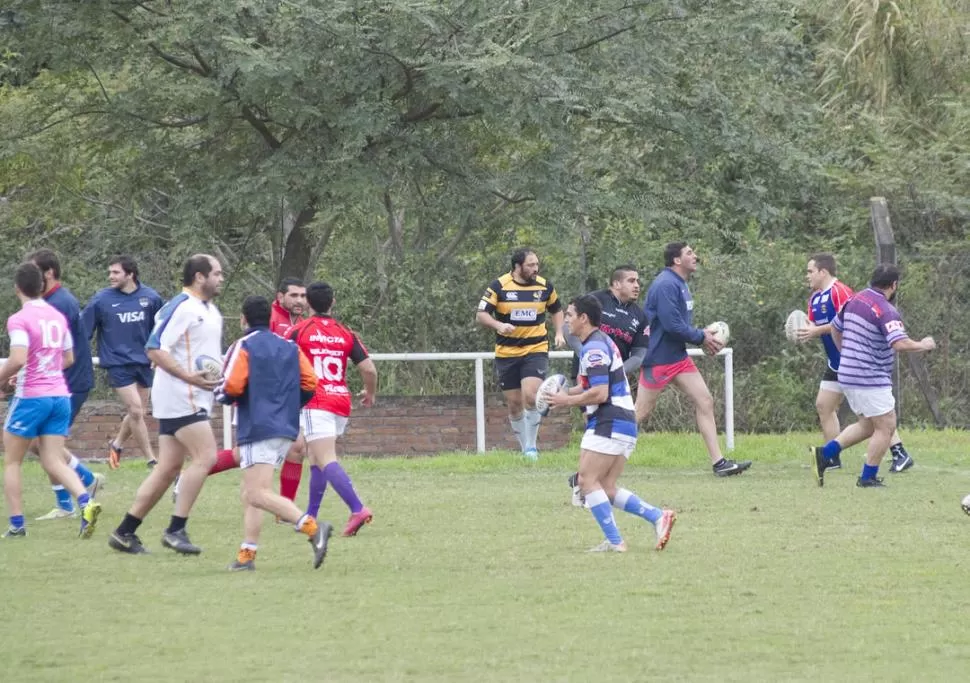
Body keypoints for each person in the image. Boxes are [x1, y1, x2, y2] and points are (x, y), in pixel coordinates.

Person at [108, 254, 224, 555]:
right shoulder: (182, 307)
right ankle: (176, 530)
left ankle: (124, 532)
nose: (221, 278)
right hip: (179, 394)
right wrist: (189, 377)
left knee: (168, 468)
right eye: (217, 273)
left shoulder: (210, 310)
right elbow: (154, 347)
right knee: (207, 457)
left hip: (193, 394)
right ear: (200, 277)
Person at [544, 294, 676, 552]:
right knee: (605, 487)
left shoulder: (593, 349)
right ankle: (658, 517)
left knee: (586, 481)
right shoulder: (599, 343)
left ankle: (616, 542)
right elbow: (586, 385)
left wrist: (563, 402)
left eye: (570, 315)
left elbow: (600, 393)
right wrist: (560, 393)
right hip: (623, 421)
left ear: (584, 318)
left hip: (609, 421)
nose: (566, 320)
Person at [216, 295, 332, 571]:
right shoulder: (290, 346)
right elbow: (310, 382)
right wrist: (289, 406)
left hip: (258, 426)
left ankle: (314, 528)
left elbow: (230, 386)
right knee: (251, 492)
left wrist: (217, 392)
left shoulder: (242, 346)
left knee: (256, 493)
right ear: (269, 318)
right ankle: (247, 554)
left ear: (243, 319)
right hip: (286, 427)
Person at [1, 263, 101, 538]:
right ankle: (86, 501)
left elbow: (18, 358)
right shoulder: (57, 317)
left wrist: (6, 376)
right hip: (60, 395)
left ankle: (17, 525)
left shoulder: (19, 319)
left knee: (12, 462)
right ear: (41, 286)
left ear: (17, 288)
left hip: (33, 397)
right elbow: (68, 358)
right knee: (53, 459)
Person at [812, 264, 935, 488]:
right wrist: (923, 344)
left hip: (847, 374)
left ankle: (823, 454)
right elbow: (898, 343)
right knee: (887, 426)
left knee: (868, 425)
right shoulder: (885, 309)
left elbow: (835, 328)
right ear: (894, 285)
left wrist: (845, 353)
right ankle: (867, 477)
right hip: (869, 377)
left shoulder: (854, 300)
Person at [636, 242, 751, 477]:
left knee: (705, 400)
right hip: (658, 358)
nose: (695, 256)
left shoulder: (680, 284)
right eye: (689, 253)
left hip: (677, 357)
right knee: (640, 412)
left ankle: (719, 463)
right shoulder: (666, 284)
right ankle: (599, 450)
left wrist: (702, 337)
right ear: (677, 260)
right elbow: (672, 325)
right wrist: (701, 337)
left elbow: (679, 325)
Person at [797, 253, 916, 473]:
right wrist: (804, 330)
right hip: (837, 363)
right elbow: (822, 325)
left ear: (823, 272)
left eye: (810, 271)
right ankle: (830, 458)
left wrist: (819, 332)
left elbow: (849, 319)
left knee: (875, 417)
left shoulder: (840, 292)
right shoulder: (814, 298)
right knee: (825, 405)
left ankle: (898, 452)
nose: (807, 275)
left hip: (855, 362)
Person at [289, 282, 377, 537]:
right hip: (341, 401)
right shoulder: (345, 332)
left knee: (326, 459)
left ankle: (357, 508)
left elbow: (282, 360)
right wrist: (370, 393)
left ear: (308, 303)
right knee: (315, 458)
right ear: (333, 301)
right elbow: (369, 369)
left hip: (315, 402)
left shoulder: (300, 330)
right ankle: (311, 516)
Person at [27, 249, 103, 520]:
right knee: (40, 442)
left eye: (35, 270)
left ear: (49, 273)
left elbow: (61, 354)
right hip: (59, 383)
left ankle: (68, 501)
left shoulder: (60, 303)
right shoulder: (50, 300)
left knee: (45, 444)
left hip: (70, 382)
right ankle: (84, 480)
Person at [565, 265, 649, 505]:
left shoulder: (640, 316)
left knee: (601, 428)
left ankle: (586, 483)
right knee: (591, 423)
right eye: (631, 280)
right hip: (589, 375)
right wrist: (591, 357)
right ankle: (584, 484)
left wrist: (615, 368)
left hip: (613, 379)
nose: (636, 285)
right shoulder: (594, 301)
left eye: (638, 281)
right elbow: (568, 329)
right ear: (615, 284)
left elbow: (640, 354)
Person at [476, 248, 565, 460]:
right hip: (507, 352)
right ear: (517, 267)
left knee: (531, 396)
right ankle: (524, 447)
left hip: (536, 348)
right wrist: (498, 325)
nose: (536, 269)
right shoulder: (499, 286)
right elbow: (481, 314)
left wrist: (559, 332)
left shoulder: (544, 286)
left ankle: (532, 448)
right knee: (515, 403)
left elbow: (557, 310)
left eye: (537, 264)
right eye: (531, 265)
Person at [82, 255, 164, 469]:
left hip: (144, 363)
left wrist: (159, 354)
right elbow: (82, 331)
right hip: (117, 364)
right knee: (136, 411)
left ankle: (116, 444)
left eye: (116, 272)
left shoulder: (151, 298)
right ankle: (151, 460)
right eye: (110, 272)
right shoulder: (101, 300)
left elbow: (162, 330)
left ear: (130, 274)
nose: (111, 276)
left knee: (139, 412)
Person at [270, 277, 308, 505]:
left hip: (289, 396)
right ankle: (190, 476)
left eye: (303, 296)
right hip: (266, 395)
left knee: (297, 448)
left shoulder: (302, 323)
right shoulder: (270, 318)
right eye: (294, 295)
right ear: (280, 296)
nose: (299, 300)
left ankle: (286, 507)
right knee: (243, 455)